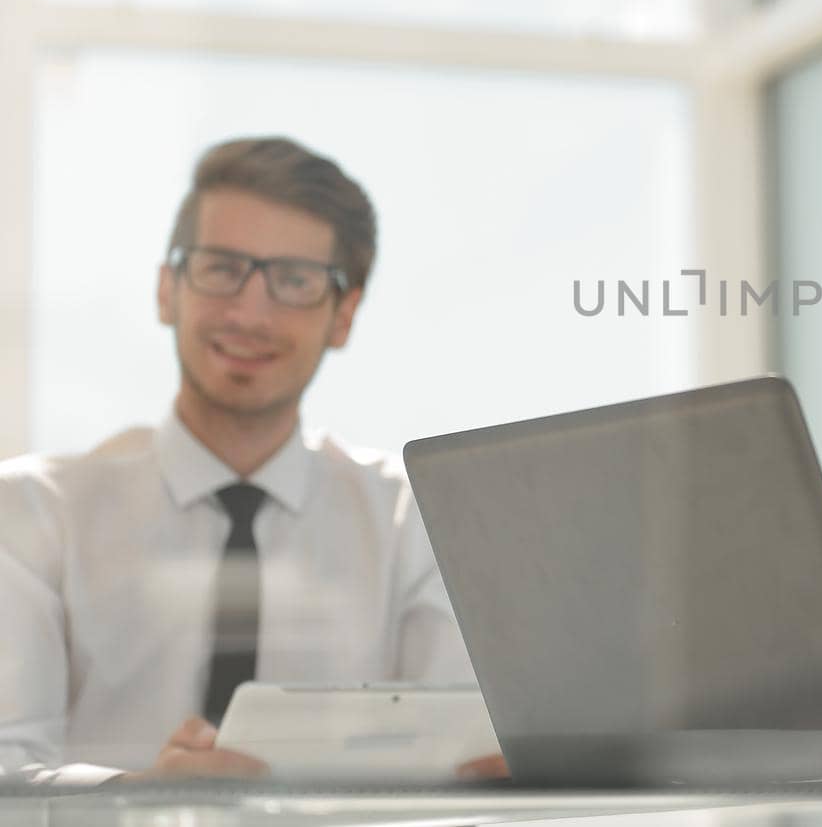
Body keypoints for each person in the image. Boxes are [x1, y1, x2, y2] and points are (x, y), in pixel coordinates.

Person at [0, 137, 477, 784]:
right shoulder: (31, 512)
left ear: (345, 315)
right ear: (167, 289)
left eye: (296, 281)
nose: (250, 312)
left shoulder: (412, 519)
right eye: (222, 268)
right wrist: (137, 801)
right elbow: (6, 763)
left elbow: (456, 764)